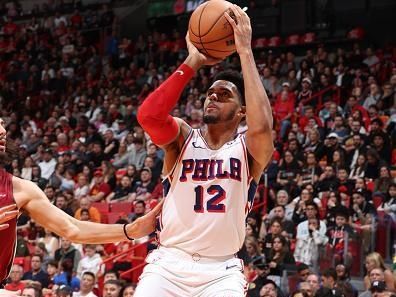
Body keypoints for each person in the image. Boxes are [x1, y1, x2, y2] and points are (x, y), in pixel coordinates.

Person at [135, 4, 273, 296]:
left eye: (223, 95)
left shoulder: (248, 148)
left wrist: (245, 51)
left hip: (221, 271)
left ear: (242, 111)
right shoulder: (182, 138)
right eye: (210, 93)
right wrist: (193, 61)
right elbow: (148, 117)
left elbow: (262, 128)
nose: (212, 97)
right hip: (168, 264)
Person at [0, 121, 162, 293]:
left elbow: (72, 229)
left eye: (2, 124)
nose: (2, 131)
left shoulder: (20, 189)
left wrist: (131, 230)